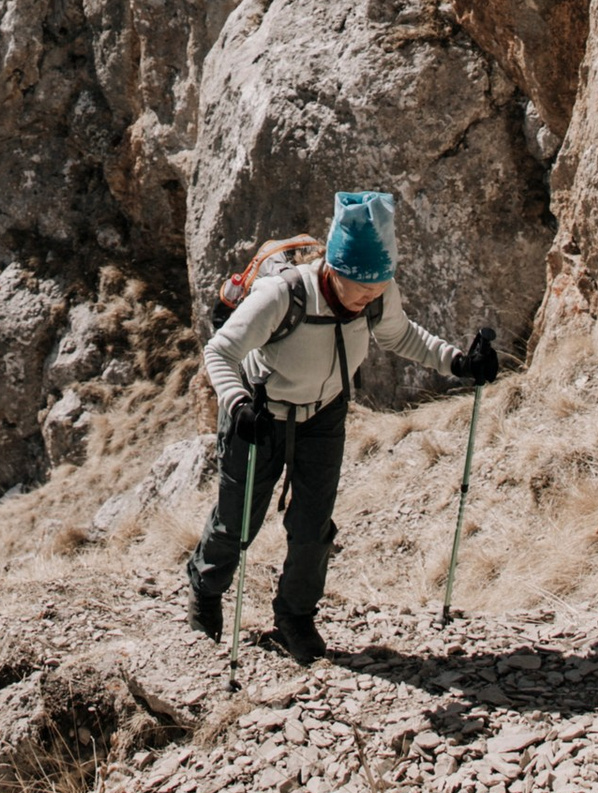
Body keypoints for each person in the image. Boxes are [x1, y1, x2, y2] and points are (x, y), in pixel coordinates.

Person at [188, 192, 501, 666]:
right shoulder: (283, 294)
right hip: (259, 413)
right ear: (332, 269)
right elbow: (220, 352)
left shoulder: (378, 291)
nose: (366, 301)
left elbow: (401, 335)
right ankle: (206, 591)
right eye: (358, 289)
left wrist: (456, 360)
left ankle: (294, 617)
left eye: (376, 291)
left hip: (324, 415)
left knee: (313, 527)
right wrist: (236, 403)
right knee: (238, 522)